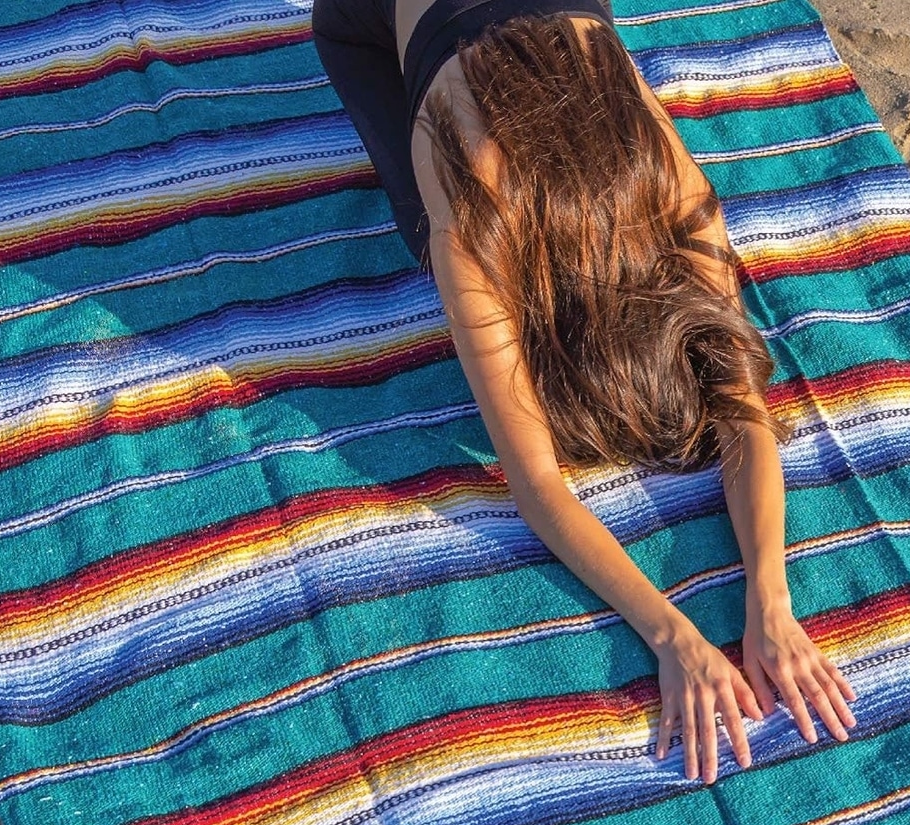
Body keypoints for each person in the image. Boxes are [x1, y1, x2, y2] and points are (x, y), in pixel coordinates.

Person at [312, 0, 858, 785]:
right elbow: (535, 481)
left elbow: (742, 409)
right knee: (422, 231)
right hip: (370, 21)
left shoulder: (665, 181)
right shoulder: (475, 211)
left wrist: (771, 599)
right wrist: (670, 636)